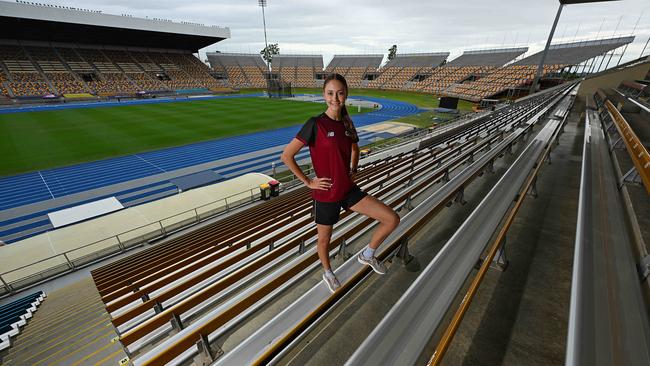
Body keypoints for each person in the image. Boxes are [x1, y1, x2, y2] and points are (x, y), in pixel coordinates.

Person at [281, 73, 400, 293]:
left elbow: (355, 148)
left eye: (340, 93)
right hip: (325, 194)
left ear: (346, 95)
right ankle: (327, 271)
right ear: (324, 95)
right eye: (330, 93)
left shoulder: (347, 123)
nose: (335, 98)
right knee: (324, 240)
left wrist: (353, 169)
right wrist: (308, 182)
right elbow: (287, 156)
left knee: (392, 219)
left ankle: (367, 254)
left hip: (347, 189)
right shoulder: (315, 124)